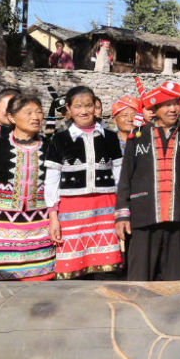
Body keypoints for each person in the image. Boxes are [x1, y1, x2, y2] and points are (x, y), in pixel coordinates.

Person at [115, 81, 180, 281]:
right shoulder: (137, 137)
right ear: (155, 108)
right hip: (143, 214)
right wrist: (122, 215)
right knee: (139, 276)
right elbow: (126, 177)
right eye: (167, 104)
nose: (173, 109)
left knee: (176, 278)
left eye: (176, 103)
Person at [0, 95, 56, 283]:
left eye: (39, 112)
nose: (36, 117)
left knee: (37, 289)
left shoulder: (51, 149)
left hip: (38, 232)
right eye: (28, 112)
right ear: (12, 117)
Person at [44, 86, 123, 278]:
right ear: (69, 110)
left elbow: (119, 174)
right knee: (73, 269)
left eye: (88, 105)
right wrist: (53, 215)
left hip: (105, 209)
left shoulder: (111, 138)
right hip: (71, 210)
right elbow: (52, 179)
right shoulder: (59, 139)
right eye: (78, 106)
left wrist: (122, 210)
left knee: (107, 269)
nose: (84, 111)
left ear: (96, 108)